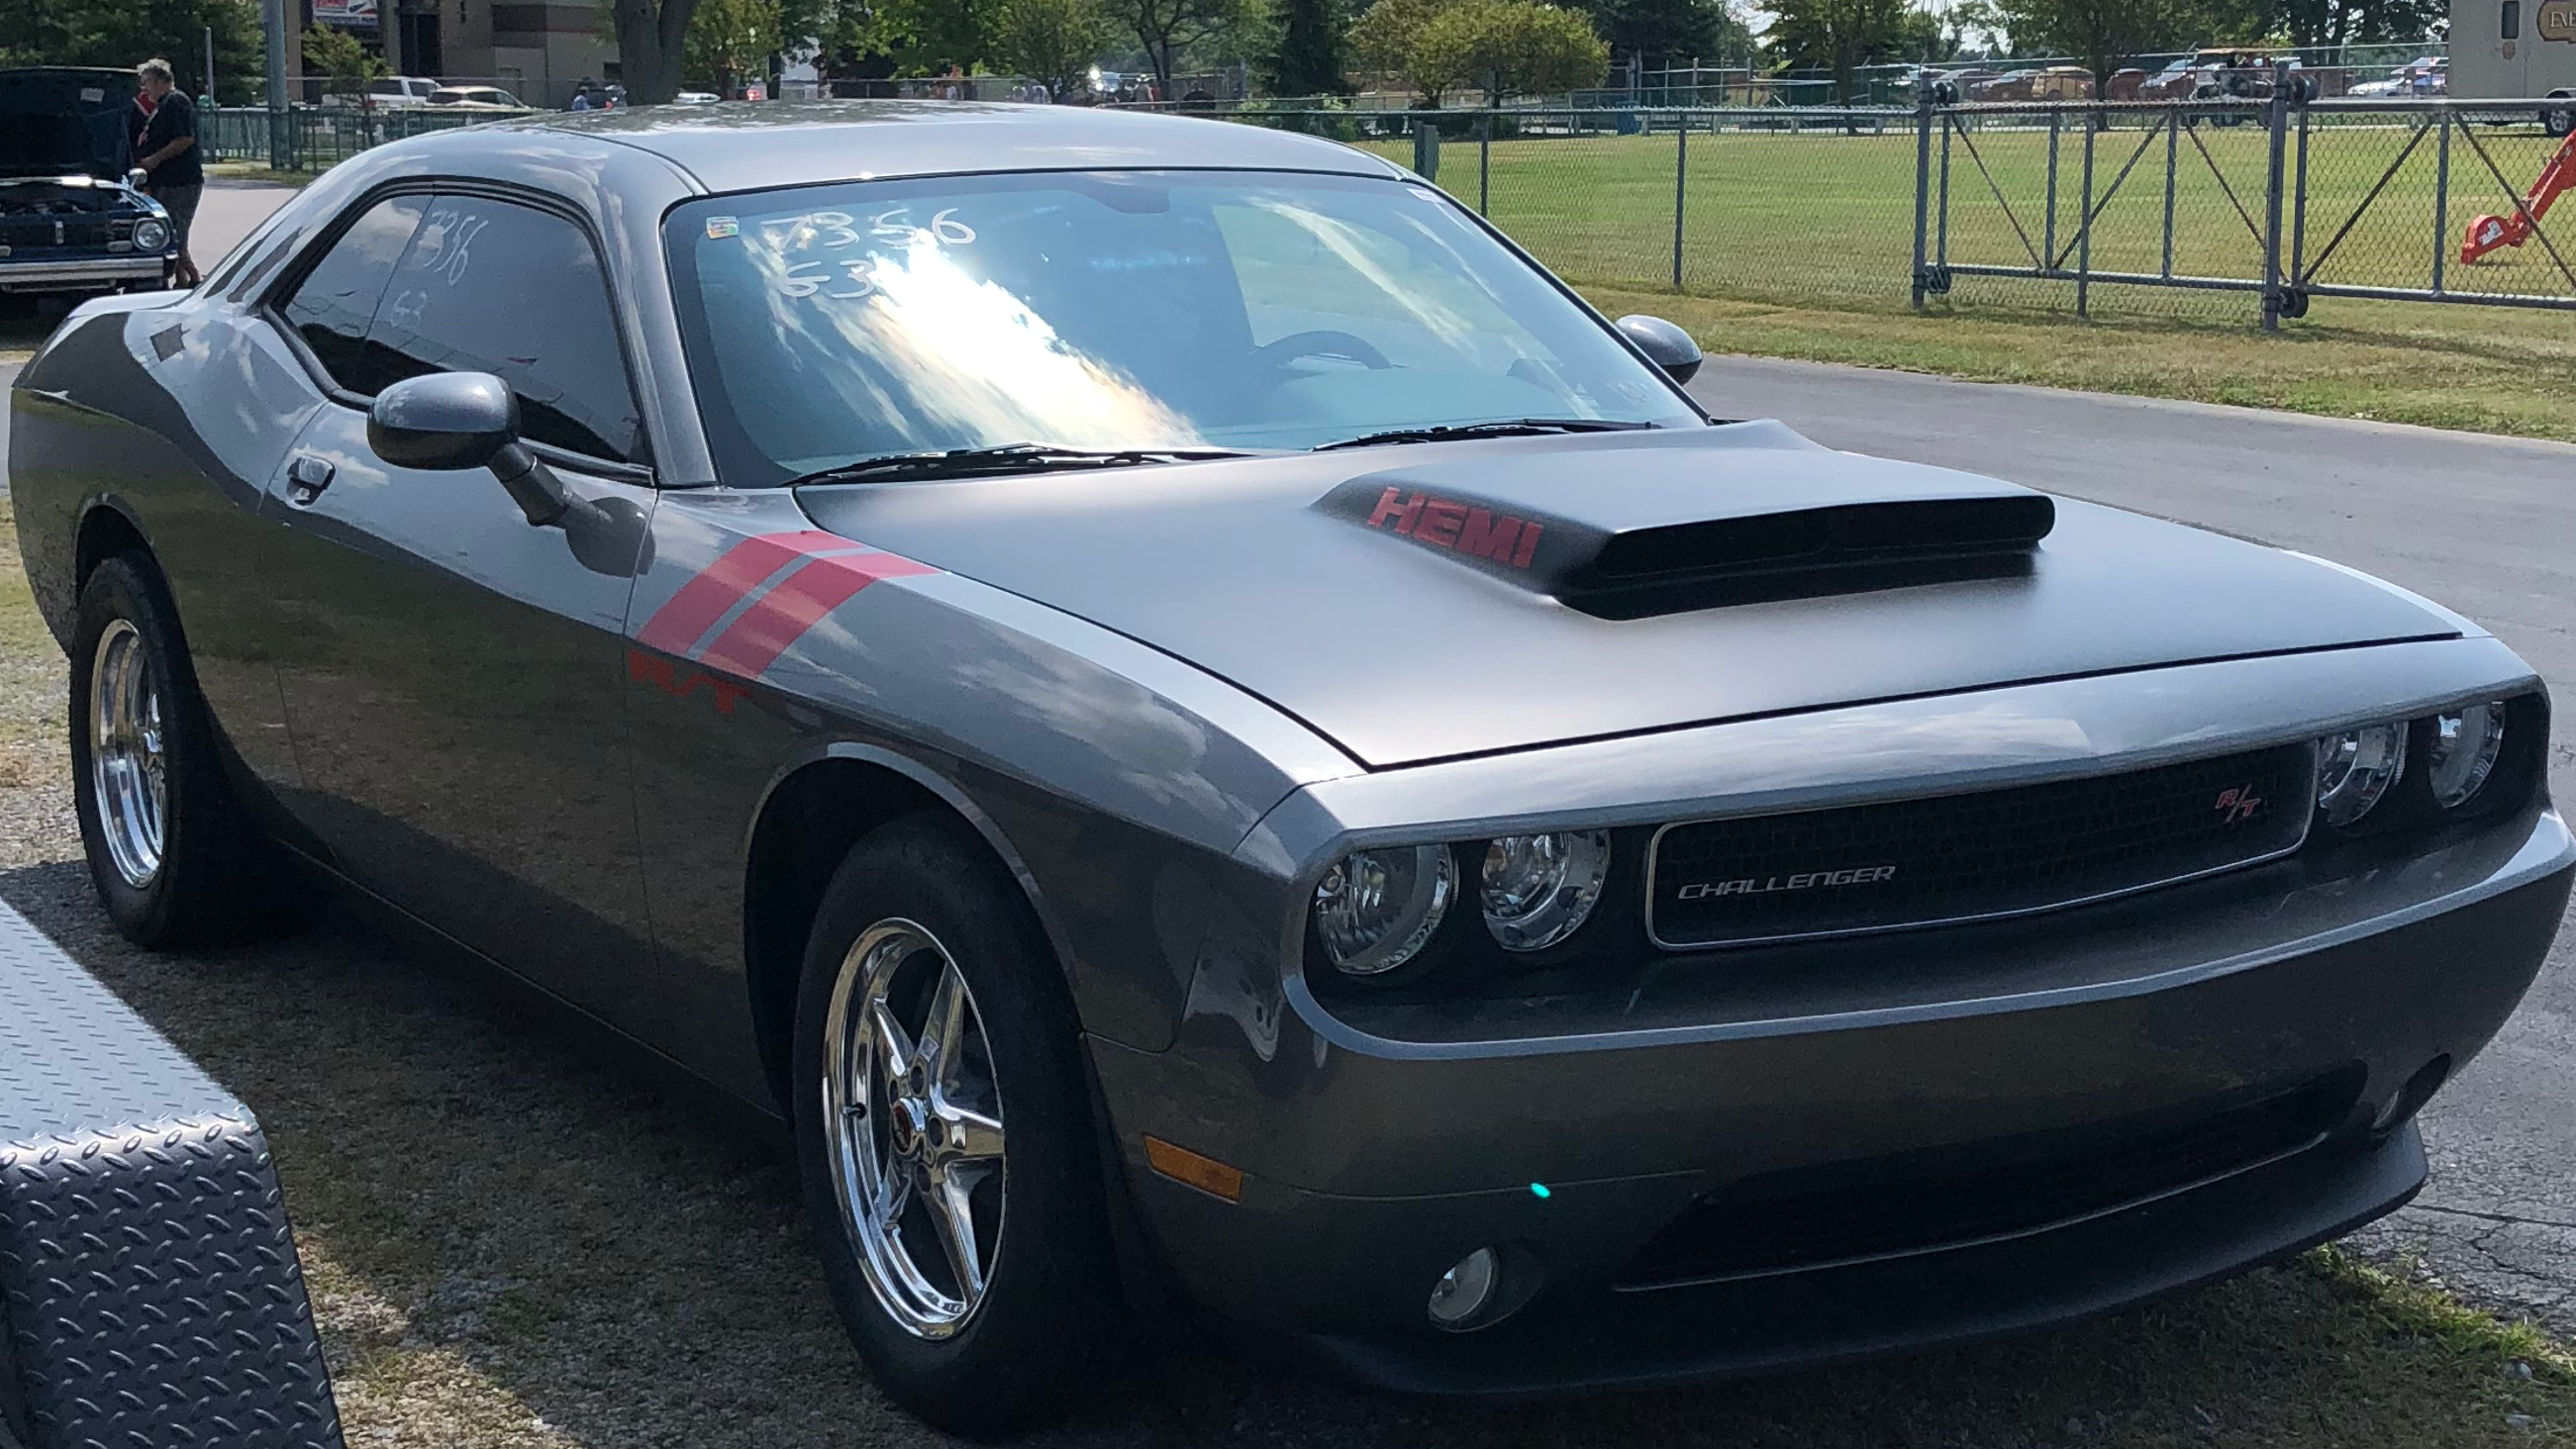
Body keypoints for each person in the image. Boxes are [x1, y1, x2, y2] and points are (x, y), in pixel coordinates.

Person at [132, 58, 203, 288]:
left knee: (173, 232)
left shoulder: (176, 102)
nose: (144, 89)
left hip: (180, 181)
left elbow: (184, 139)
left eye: (147, 83)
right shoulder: (163, 105)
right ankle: (181, 279)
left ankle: (194, 277)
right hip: (165, 180)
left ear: (159, 81)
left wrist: (154, 159)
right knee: (172, 230)